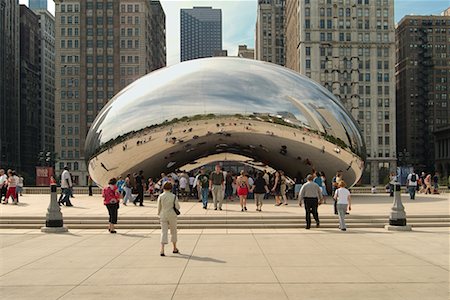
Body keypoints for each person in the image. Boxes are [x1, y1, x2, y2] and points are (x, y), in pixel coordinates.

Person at [157, 181, 180, 256]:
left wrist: (159, 214)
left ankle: (162, 249)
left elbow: (159, 207)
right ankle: (174, 247)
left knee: (164, 232)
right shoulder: (174, 196)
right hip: (172, 215)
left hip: (163, 214)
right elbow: (177, 207)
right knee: (173, 231)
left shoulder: (161, 196)